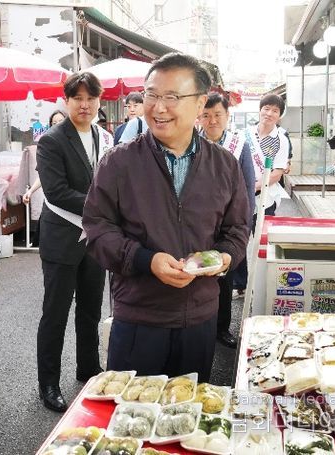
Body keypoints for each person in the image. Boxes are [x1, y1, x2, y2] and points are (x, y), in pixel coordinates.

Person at [83, 53, 250, 381]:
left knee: (190, 408)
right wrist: (147, 260)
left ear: (200, 103)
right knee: (131, 410)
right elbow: (96, 230)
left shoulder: (224, 165)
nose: (158, 108)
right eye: (152, 95)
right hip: (138, 317)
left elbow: (238, 228)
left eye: (172, 97)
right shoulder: (118, 163)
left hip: (199, 317)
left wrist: (222, 257)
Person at [36, 72, 106, 412]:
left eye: (91, 98)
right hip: (62, 238)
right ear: (66, 101)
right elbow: (57, 192)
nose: (84, 104)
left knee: (91, 310)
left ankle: (88, 369)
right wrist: (105, 206)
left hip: (93, 241)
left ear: (98, 101)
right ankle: (48, 384)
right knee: (55, 314)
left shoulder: (102, 136)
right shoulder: (51, 140)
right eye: (77, 98)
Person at [198, 92, 256, 349]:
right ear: (199, 117)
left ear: (227, 116)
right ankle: (200, 326)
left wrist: (245, 224)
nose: (212, 121)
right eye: (206, 115)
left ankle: (222, 328)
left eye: (217, 115)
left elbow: (248, 186)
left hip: (228, 223)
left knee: (225, 276)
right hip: (198, 223)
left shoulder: (239, 145)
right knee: (199, 272)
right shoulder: (190, 142)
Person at [233, 94, 291, 296]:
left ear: (279, 115)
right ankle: (240, 284)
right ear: (259, 110)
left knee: (263, 242)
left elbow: (277, 173)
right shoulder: (243, 134)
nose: (269, 113)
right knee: (238, 239)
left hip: (266, 198)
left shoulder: (281, 140)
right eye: (266, 108)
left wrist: (252, 187)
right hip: (240, 198)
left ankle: (262, 285)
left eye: (275, 110)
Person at [22, 110, 67, 205]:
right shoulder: (48, 147)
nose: (58, 125)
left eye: (61, 121)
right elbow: (44, 175)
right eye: (54, 123)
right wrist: (30, 191)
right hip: (54, 200)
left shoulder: (74, 144)